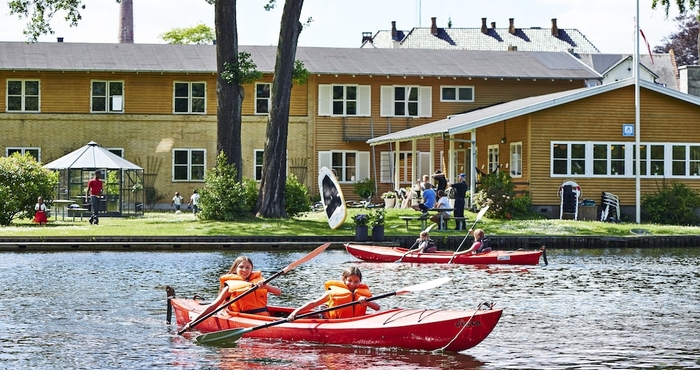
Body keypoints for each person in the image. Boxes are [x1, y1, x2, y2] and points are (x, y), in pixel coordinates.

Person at [181, 256, 282, 331]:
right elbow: (214, 305)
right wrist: (193, 322)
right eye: (241, 267)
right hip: (243, 318)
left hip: (264, 317)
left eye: (248, 267)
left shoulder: (260, 282)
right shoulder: (230, 286)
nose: (244, 270)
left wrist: (266, 286)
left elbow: (278, 292)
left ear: (252, 269)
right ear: (235, 269)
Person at [288, 266, 380, 321]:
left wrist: (367, 301)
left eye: (356, 281)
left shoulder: (362, 294)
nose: (352, 284)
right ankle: (321, 313)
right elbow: (314, 303)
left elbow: (377, 308)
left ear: (360, 281)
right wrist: (295, 312)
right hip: (333, 322)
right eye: (349, 280)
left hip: (356, 321)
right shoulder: (332, 292)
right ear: (343, 279)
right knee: (322, 308)